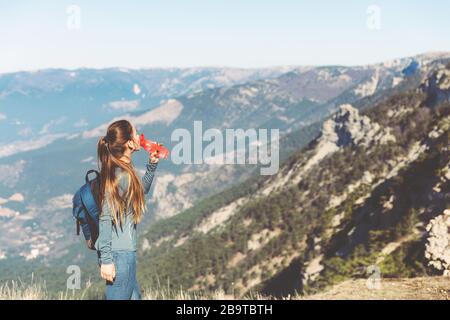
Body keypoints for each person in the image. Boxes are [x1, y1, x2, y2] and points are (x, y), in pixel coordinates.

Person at [95, 119, 159, 300]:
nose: (140, 136)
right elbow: (105, 218)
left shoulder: (123, 170)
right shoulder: (117, 175)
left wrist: (152, 165)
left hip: (125, 255)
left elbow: (140, 191)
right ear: (130, 143)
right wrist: (107, 260)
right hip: (119, 257)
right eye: (136, 133)